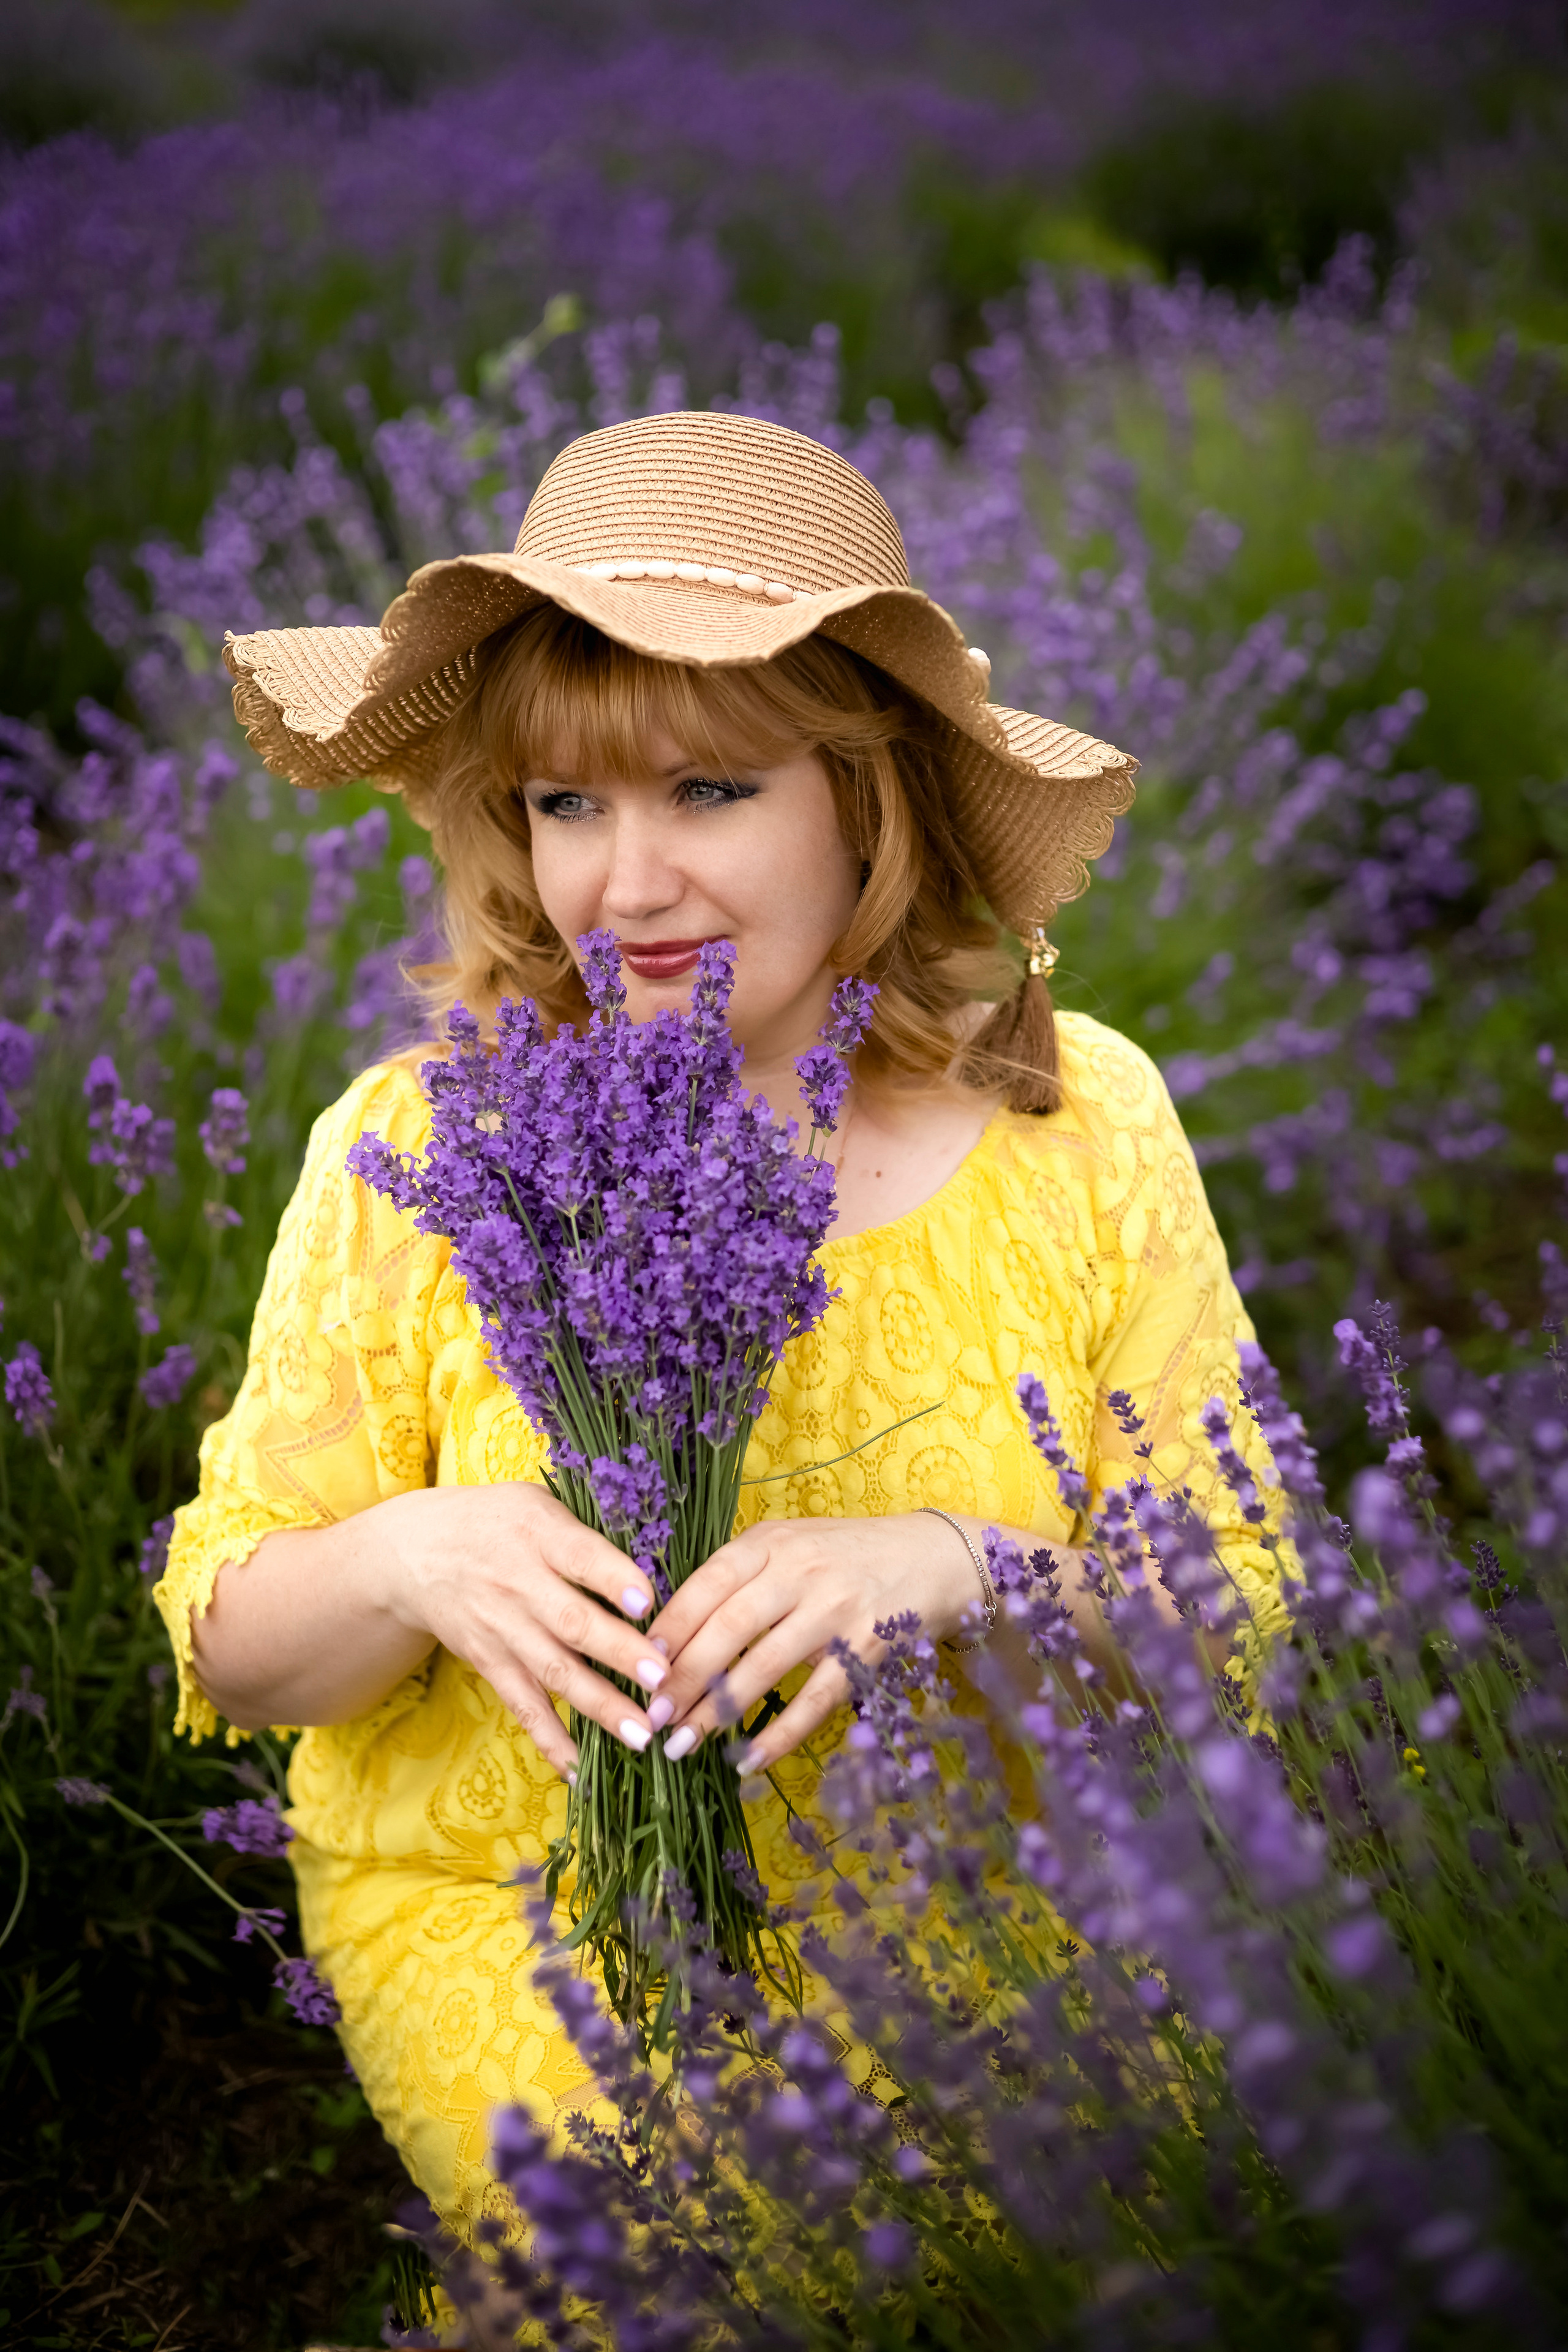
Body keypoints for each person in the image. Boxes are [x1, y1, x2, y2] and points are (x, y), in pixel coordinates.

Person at [154, 409, 1289, 2244]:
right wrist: (411, 1560)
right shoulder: (422, 1150)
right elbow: (241, 1647)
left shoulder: (1077, 1124)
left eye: (710, 791)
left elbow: (1244, 1622)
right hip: (525, 1914)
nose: (628, 884)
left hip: (1016, 1909)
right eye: (568, 801)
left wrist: (969, 1573)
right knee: (720, 2248)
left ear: (868, 794)